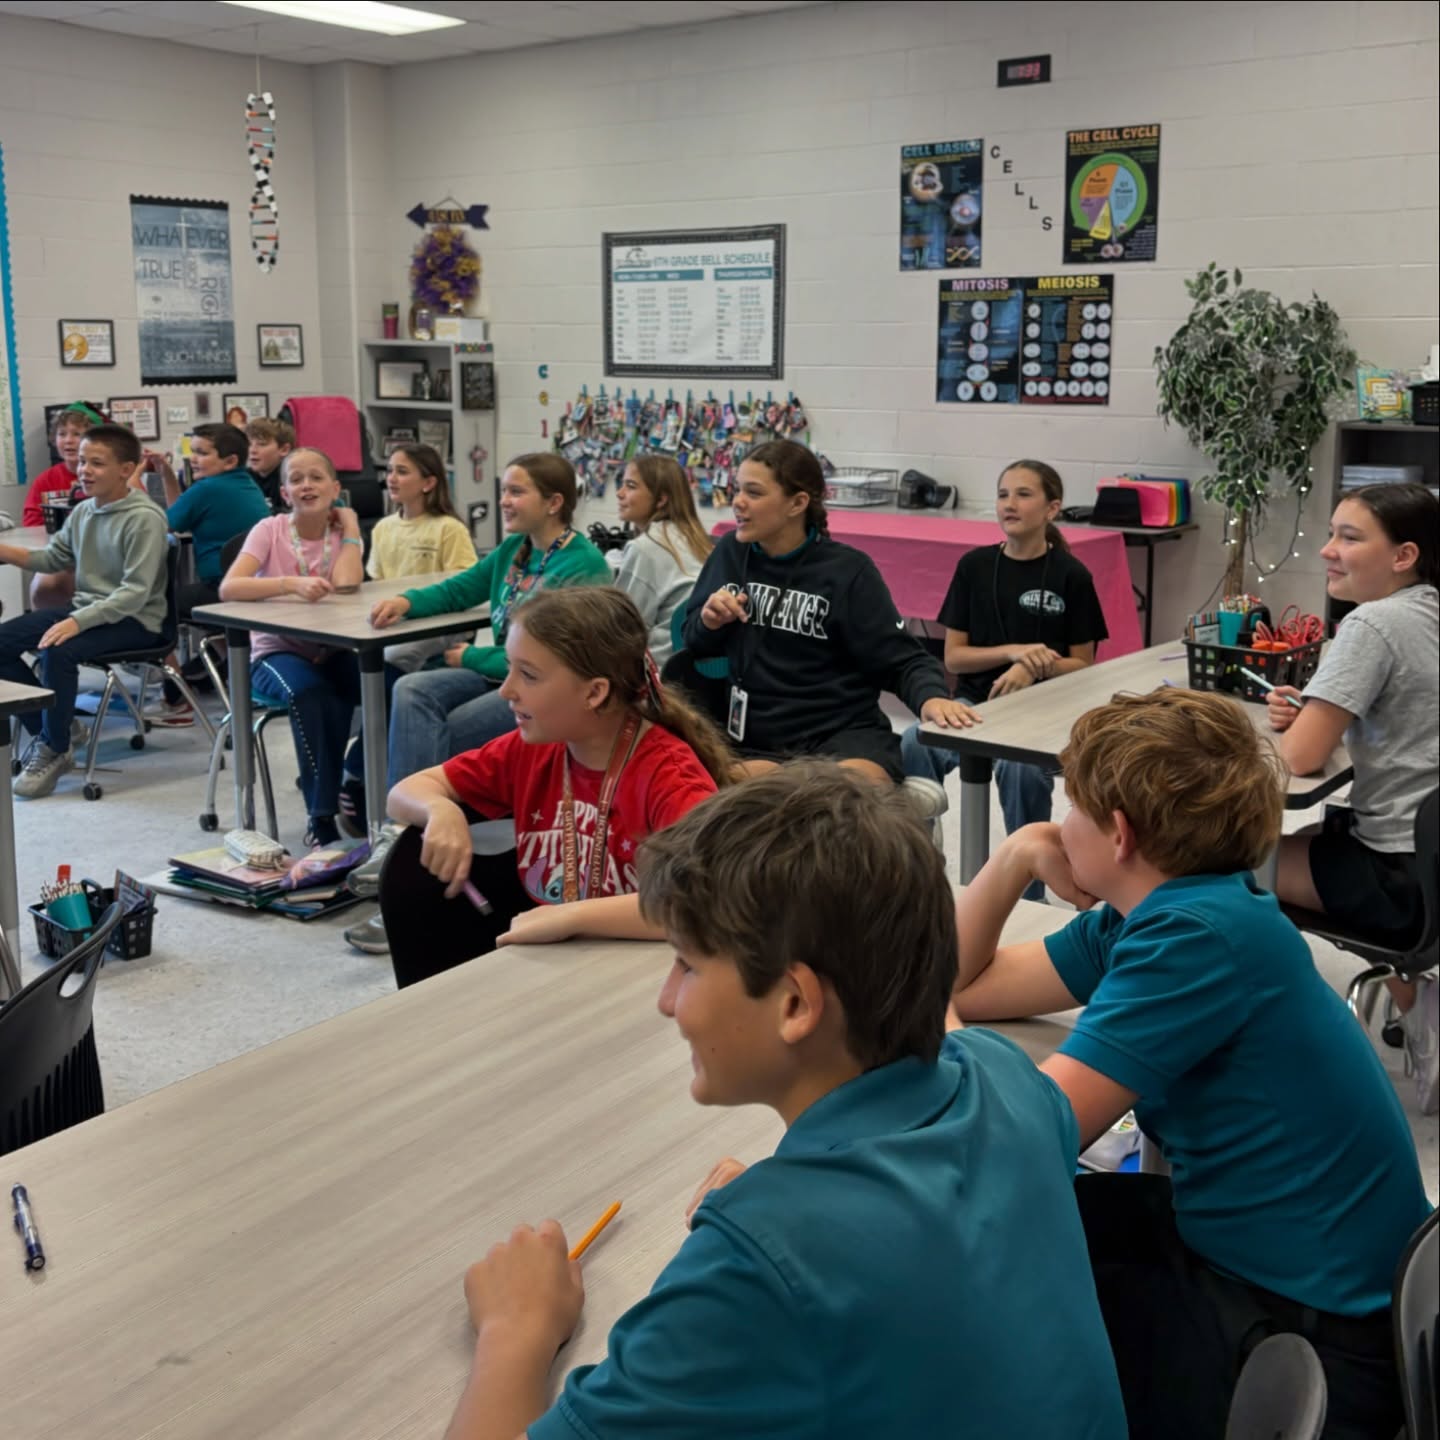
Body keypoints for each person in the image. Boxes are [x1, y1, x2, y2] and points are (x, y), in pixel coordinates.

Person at [440, 764, 1127, 1440]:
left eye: (687, 965)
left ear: (796, 1003)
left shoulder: (756, 1265)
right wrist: (795, 1211)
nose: (667, 1000)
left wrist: (516, 1328)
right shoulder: (1002, 1073)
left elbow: (810, 1262)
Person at [950, 687, 1432, 1440]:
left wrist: (935, 1028)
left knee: (992, 1279)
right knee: (1033, 1230)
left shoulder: (1195, 938)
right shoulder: (1170, 909)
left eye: (1068, 806)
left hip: (1320, 1340)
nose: (1059, 824)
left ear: (1118, 834)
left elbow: (1019, 1139)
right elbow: (963, 984)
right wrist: (1015, 857)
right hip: (1309, 1277)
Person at [369, 586, 732, 984]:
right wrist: (440, 810)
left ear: (594, 692)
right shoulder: (532, 750)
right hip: (556, 971)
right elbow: (405, 792)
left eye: (528, 675)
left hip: (639, 980)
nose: (506, 690)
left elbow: (706, 906)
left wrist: (571, 916)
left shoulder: (669, 775)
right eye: (509, 668)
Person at [344, 454, 609, 952]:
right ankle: (399, 837)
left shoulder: (583, 565)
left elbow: (556, 657)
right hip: (501, 673)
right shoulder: (515, 550)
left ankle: (413, 874)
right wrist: (408, 602)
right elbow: (460, 588)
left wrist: (471, 655)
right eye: (504, 490)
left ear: (554, 502)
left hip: (539, 687)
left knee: (443, 731)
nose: (504, 501)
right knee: (412, 689)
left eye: (516, 492)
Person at [1267, 481, 1439, 1114]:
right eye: (1331, 533)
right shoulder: (1427, 610)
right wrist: (1319, 708)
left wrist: (1306, 726)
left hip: (1396, 880)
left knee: (1218, 861)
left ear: (1403, 555)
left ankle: (1265, 1039)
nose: (1327, 550)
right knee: (1308, 840)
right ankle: (1417, 999)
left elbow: (1299, 759)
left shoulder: (1372, 623)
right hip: (1429, 863)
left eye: (1348, 537)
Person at [679, 439, 978, 785]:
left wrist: (932, 698)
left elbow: (902, 660)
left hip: (841, 737)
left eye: (754, 492)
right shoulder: (730, 553)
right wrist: (708, 622)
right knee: (742, 790)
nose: (737, 502)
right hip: (754, 740)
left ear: (797, 503)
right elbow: (693, 643)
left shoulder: (848, 571)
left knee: (845, 792)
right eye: (737, 489)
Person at [901, 459, 1108, 899]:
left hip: (1044, 714)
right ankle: (917, 862)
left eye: (1023, 494)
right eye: (1002, 494)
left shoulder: (1072, 576)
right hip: (978, 706)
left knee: (1021, 770)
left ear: (1052, 508)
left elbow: (1083, 666)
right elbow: (954, 659)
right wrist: (1014, 652)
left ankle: (1029, 889)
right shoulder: (974, 567)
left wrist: (1035, 666)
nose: (1009, 504)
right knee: (914, 741)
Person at [0, 424, 168, 799]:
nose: (84, 470)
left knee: (58, 649)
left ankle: (55, 749)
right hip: (89, 611)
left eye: (97, 463)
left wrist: (78, 621)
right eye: (81, 462)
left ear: (126, 470)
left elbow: (135, 593)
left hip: (136, 620)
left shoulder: (144, 518)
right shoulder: (83, 512)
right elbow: (52, 558)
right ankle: (58, 729)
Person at [218, 448, 364, 847]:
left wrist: (351, 524)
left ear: (335, 488)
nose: (307, 486)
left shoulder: (343, 534)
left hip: (332, 648)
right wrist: (290, 584)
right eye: (296, 480)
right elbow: (230, 587)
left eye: (316, 478)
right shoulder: (270, 529)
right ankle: (321, 817)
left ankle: (353, 775)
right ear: (284, 493)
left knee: (393, 687)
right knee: (312, 694)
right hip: (275, 652)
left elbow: (347, 583)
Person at [336, 444, 478, 834]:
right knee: (370, 674)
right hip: (391, 628)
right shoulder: (384, 528)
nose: (392, 479)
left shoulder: (448, 528)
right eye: (391, 471)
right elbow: (377, 585)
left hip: (435, 630)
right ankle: (361, 771)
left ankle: (356, 769)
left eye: (403, 471)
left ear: (428, 482)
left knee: (388, 674)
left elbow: (462, 586)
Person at [138, 422, 271, 726]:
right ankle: (240, 677)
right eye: (192, 452)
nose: (193, 459)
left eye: (201, 453)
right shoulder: (243, 482)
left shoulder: (208, 489)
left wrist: (133, 478)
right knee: (197, 612)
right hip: (252, 590)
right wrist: (166, 473)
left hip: (221, 590)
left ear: (230, 460)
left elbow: (154, 525)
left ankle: (176, 697)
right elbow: (180, 514)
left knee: (148, 606)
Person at [612, 454, 712, 663]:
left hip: (658, 670)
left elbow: (621, 630)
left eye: (630, 486)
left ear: (661, 499)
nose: (620, 493)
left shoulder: (647, 548)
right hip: (691, 667)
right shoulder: (694, 539)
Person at [21, 404, 102, 610]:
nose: (68, 440)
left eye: (77, 434)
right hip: (59, 557)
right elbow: (31, 524)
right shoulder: (45, 480)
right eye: (62, 434)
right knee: (43, 586)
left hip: (101, 558)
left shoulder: (106, 476)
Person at [245, 417, 296, 514]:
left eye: (262, 444)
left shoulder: (290, 479)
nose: (252, 450)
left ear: (284, 449)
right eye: (249, 444)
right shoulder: (244, 477)